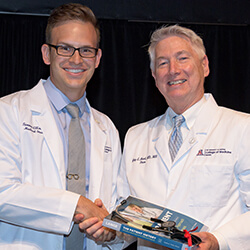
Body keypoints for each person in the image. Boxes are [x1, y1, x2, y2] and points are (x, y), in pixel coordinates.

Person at [116, 25, 250, 249]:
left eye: (182, 58)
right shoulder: (136, 136)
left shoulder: (242, 127)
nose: (173, 70)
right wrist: (109, 230)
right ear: (154, 76)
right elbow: (125, 215)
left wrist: (220, 240)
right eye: (162, 63)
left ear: (204, 65)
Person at [0, 3, 121, 250]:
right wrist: (76, 204)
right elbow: (3, 192)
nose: (76, 59)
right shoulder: (8, 111)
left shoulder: (107, 128)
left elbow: (116, 208)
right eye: (65, 48)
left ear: (97, 58)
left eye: (86, 50)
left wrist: (112, 231)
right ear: (47, 54)